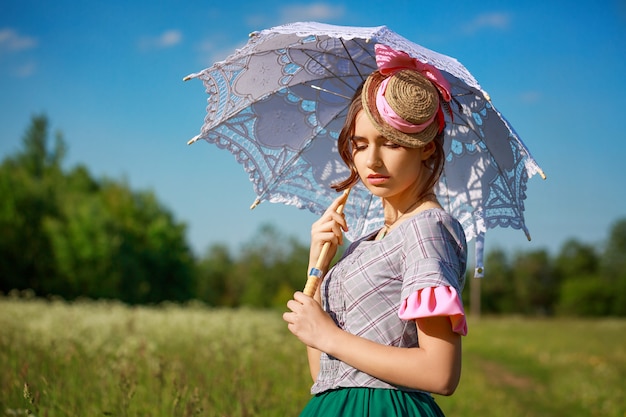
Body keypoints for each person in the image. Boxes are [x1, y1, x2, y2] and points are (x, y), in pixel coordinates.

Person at [283, 44, 468, 417]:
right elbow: (327, 375)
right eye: (360, 143)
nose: (371, 160)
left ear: (426, 148)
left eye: (391, 143)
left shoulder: (426, 229)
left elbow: (440, 373)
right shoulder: (365, 245)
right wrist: (315, 267)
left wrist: (328, 335)